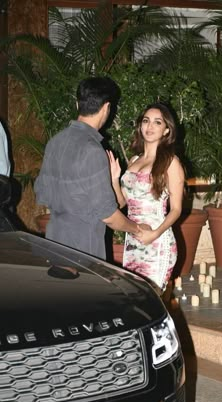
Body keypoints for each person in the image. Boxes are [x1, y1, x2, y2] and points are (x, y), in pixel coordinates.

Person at [34, 76, 150, 263]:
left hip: (54, 241)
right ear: (106, 108)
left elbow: (43, 193)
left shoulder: (55, 142)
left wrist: (111, 182)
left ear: (77, 104)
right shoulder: (92, 150)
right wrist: (136, 229)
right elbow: (108, 215)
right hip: (84, 250)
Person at [107, 102, 185, 293]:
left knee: (152, 299)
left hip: (157, 240)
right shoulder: (134, 160)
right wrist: (115, 179)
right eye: (146, 121)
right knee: (134, 298)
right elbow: (122, 202)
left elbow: (176, 209)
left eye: (157, 122)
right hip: (133, 240)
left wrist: (155, 233)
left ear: (166, 130)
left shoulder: (170, 162)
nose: (149, 127)